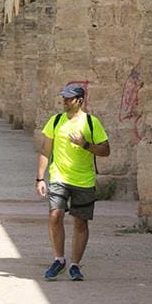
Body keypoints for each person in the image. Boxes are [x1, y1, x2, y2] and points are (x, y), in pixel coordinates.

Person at [36, 83, 110, 281]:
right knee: (55, 215)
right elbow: (45, 150)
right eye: (63, 98)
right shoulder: (56, 120)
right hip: (59, 176)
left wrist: (85, 144)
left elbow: (105, 150)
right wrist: (40, 178)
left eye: (69, 98)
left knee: (80, 222)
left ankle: (75, 265)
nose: (65, 102)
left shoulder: (91, 123)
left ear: (79, 100)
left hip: (83, 180)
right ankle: (59, 260)